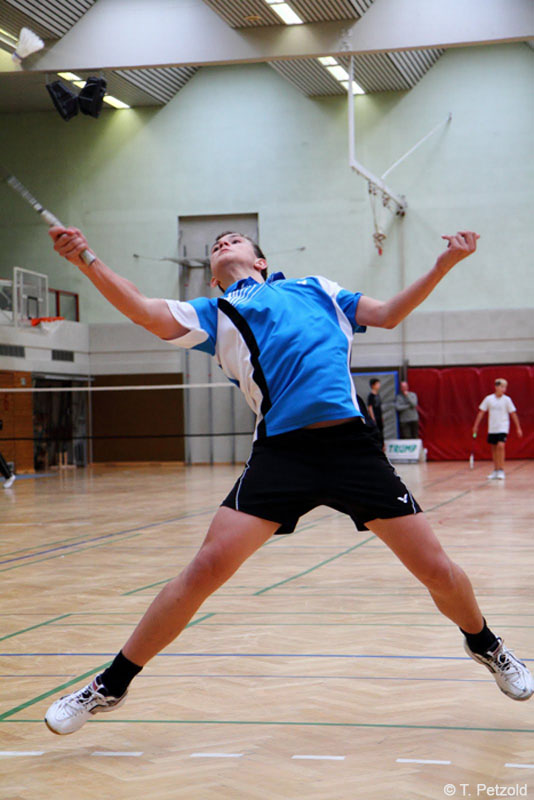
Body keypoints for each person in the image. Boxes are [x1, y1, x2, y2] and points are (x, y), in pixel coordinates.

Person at [43, 227, 533, 735]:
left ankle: (487, 646)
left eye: (234, 239)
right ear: (212, 277)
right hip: (282, 454)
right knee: (204, 569)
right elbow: (143, 309)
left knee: (435, 569)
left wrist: (444, 264)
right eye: (216, 245)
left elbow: (388, 314)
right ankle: (110, 685)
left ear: (261, 260)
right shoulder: (215, 313)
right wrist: (86, 259)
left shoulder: (316, 289)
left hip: (350, 448)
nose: (223, 243)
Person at [472, 378, 523, 480]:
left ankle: (501, 470)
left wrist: (518, 428)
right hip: (492, 428)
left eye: (505, 387)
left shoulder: (507, 400)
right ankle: (495, 470)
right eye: (502, 387)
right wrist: (475, 426)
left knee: (501, 446)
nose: (504, 389)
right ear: (496, 387)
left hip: (503, 427)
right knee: (494, 448)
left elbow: (513, 414)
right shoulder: (489, 399)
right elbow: (481, 412)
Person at [366, 378, 384, 446]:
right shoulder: (371, 396)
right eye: (377, 384)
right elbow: (370, 407)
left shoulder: (378, 395)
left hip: (379, 416)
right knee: (376, 431)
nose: (379, 385)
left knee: (381, 430)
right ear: (373, 385)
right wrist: (373, 417)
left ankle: (382, 444)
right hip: (375, 417)